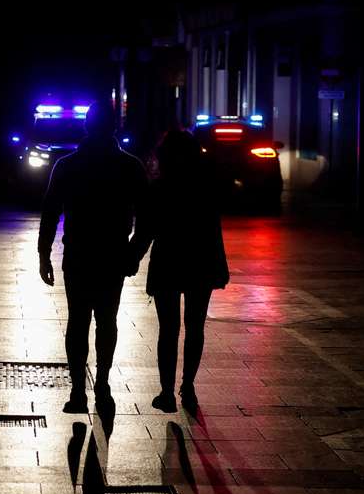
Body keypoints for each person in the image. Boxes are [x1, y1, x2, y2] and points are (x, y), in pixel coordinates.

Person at [38, 102, 148, 413]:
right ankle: (102, 381)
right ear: (114, 126)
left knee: (78, 321)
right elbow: (148, 216)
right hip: (113, 253)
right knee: (107, 321)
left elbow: (50, 212)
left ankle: (77, 390)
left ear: (87, 126)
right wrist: (134, 252)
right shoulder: (130, 166)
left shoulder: (68, 165)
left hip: (78, 253)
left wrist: (44, 253)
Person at [130, 128, 229, 413]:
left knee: (168, 330)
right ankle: (188, 386)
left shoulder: (159, 188)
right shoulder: (206, 187)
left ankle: (166, 392)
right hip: (201, 264)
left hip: (168, 264)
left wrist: (131, 258)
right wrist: (219, 268)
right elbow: (214, 231)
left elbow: (145, 231)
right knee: (195, 327)